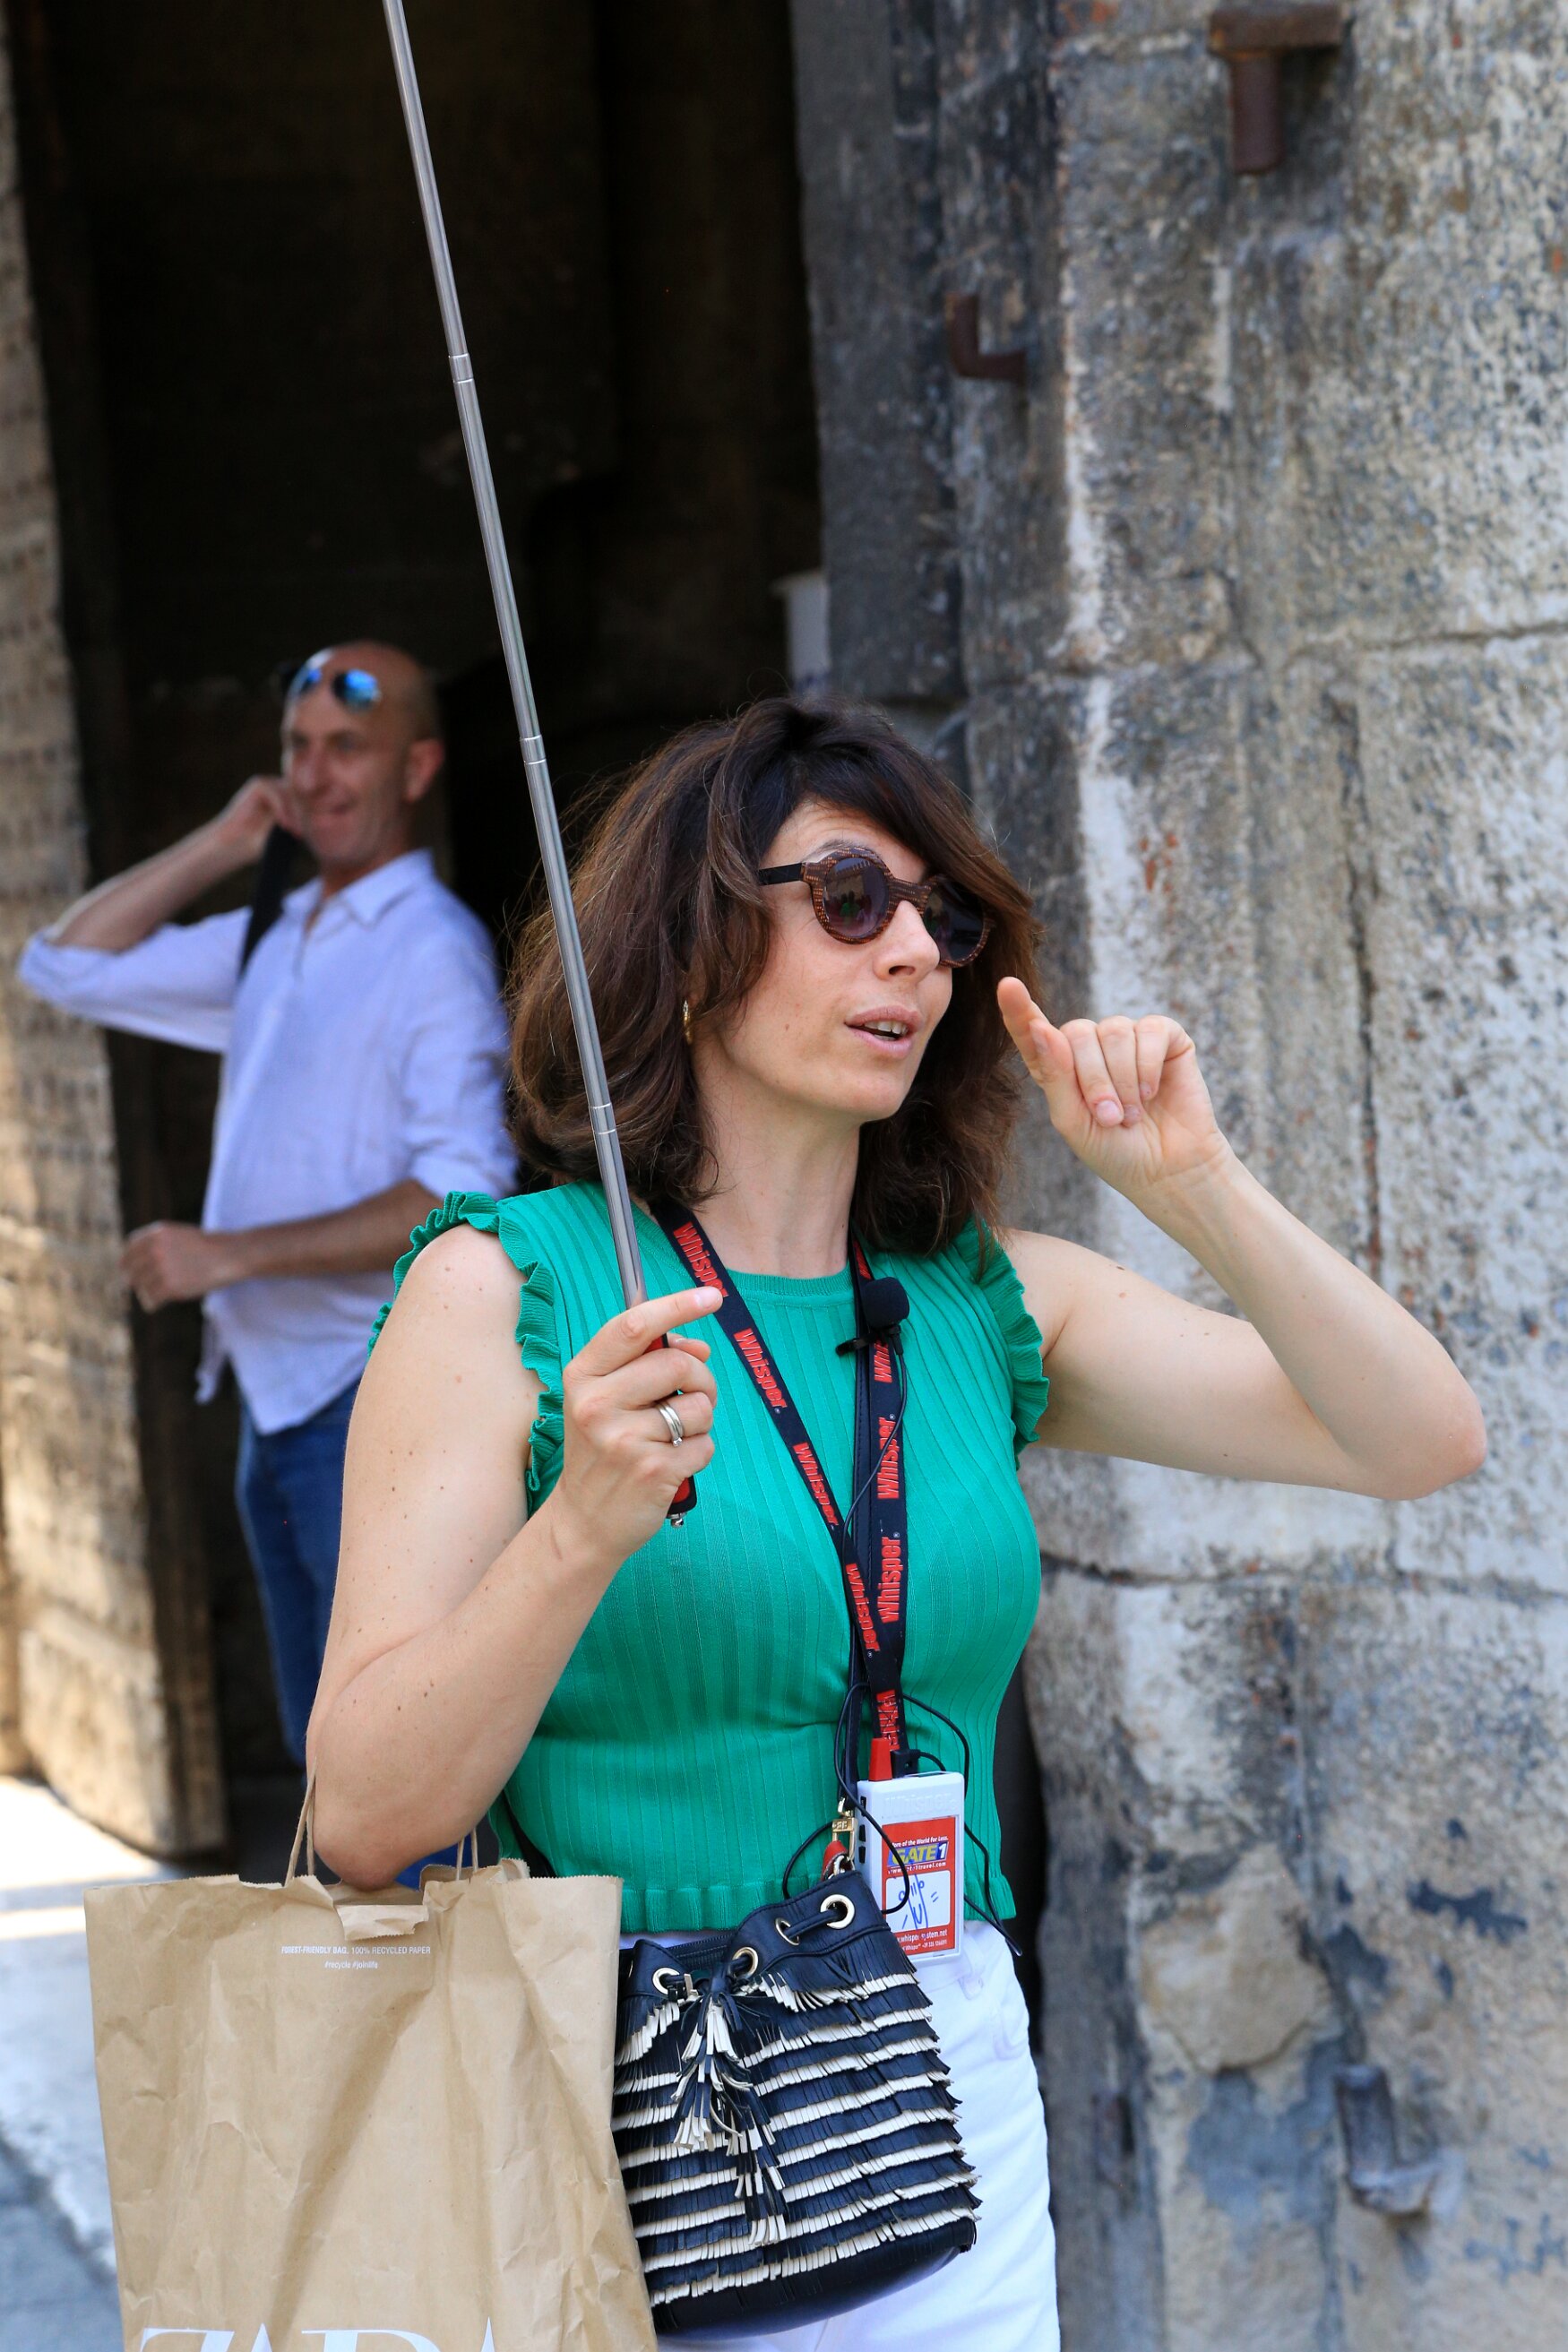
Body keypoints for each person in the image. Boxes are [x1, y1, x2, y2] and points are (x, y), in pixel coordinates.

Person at [306, 697, 1485, 2351]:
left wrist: (1192, 1184)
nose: (917, 954)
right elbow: (363, 1812)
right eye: (850, 901)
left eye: (946, 920)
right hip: (618, 2088)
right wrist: (578, 1529)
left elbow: (1417, 1438)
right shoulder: (505, 1290)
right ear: (696, 944)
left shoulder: (983, 1299)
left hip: (942, 2067)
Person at [18, 643, 515, 1764]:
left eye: (349, 748)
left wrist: (229, 1255)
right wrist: (225, 842)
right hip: (278, 1405)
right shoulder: (278, 934)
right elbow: (60, 966)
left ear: (417, 768)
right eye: (299, 747)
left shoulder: (432, 953)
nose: (317, 773)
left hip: (367, 1403)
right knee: (329, 1767)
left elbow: (464, 1192)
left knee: (390, 1767)